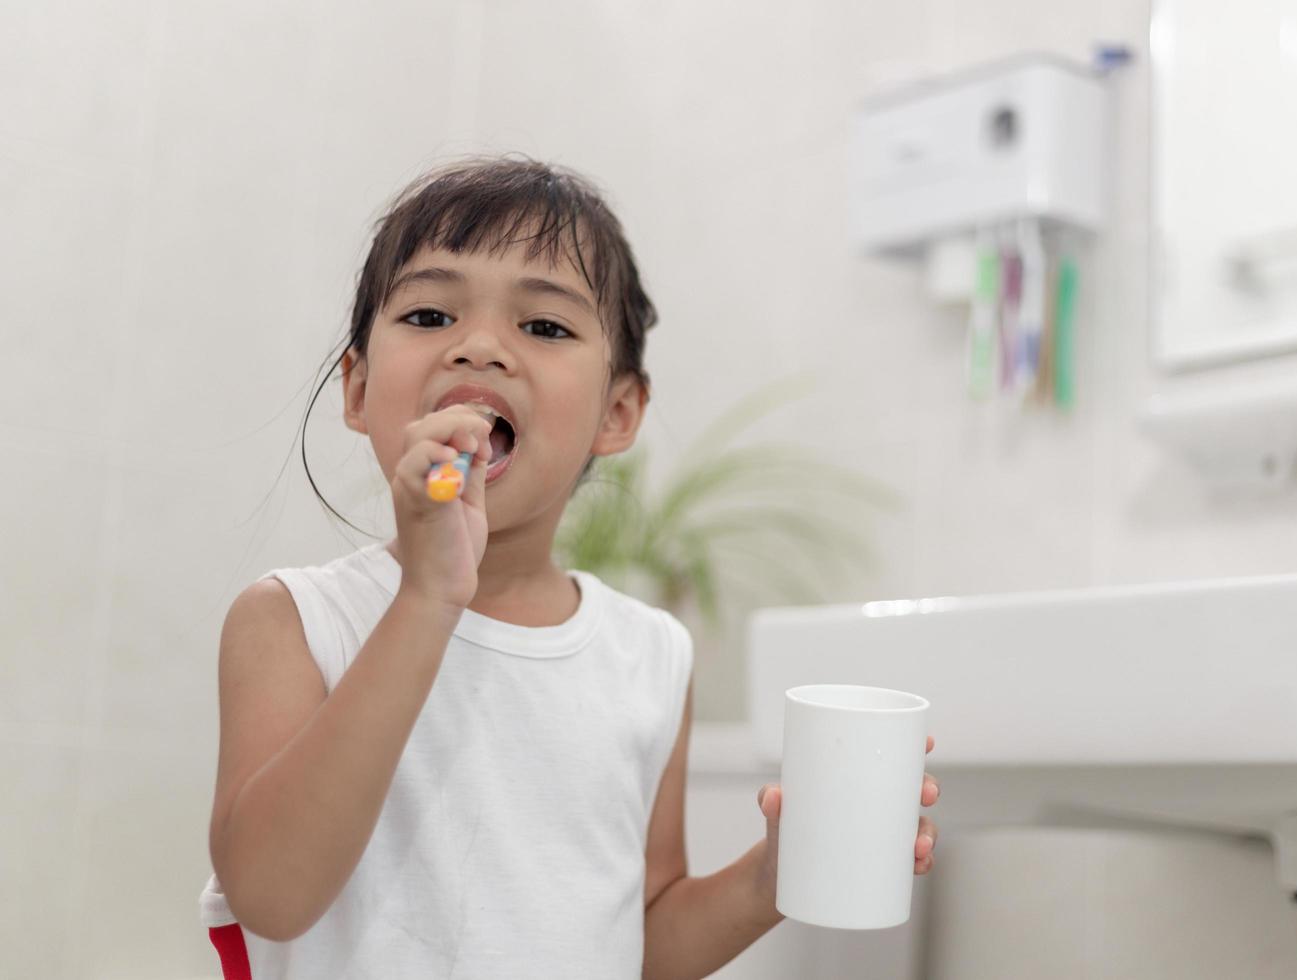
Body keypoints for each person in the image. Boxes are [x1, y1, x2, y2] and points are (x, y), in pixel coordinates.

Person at [197, 154, 941, 979]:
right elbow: (268, 893)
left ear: (617, 413)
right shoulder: (294, 622)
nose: (480, 347)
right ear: (359, 387)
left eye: (544, 327)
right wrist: (429, 596)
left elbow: (642, 944)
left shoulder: (650, 656)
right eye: (431, 314)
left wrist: (774, 875)